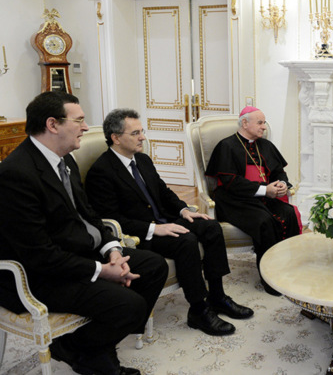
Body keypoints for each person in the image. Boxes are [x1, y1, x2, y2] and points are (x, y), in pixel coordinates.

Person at [0, 92, 168, 375]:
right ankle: (94, 357)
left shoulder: (65, 160)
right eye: (79, 120)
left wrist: (112, 251)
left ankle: (81, 349)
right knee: (130, 306)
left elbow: (89, 216)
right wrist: (102, 270)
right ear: (53, 125)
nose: (87, 127)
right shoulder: (16, 174)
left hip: (75, 253)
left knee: (153, 266)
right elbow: (39, 255)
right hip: (37, 275)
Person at [85, 109, 253, 337]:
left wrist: (184, 210)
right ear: (115, 138)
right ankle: (199, 310)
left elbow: (163, 191)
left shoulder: (142, 160)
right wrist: (155, 228)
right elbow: (112, 220)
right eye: (135, 133)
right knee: (186, 241)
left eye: (141, 131)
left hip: (167, 219)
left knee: (210, 226)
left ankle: (218, 296)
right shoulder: (101, 172)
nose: (142, 137)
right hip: (142, 233)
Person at [205, 106, 301, 295]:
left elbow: (278, 171)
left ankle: (288, 270)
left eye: (264, 122)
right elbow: (230, 182)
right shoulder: (227, 146)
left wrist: (282, 183)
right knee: (264, 222)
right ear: (245, 123)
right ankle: (269, 277)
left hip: (264, 196)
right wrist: (265, 190)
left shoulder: (264, 145)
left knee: (288, 213)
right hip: (235, 200)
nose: (264, 127)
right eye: (260, 122)